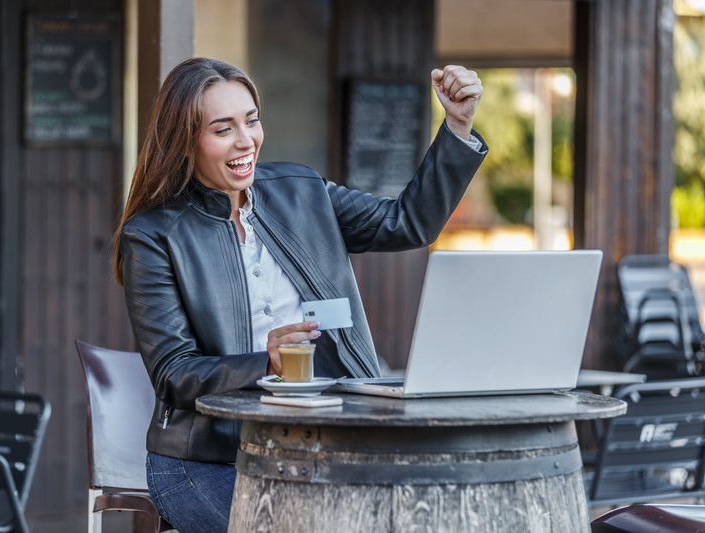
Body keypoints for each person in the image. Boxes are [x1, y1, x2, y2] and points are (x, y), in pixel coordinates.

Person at [112, 57, 487, 533]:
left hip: (329, 442)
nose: (246, 140)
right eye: (222, 129)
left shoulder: (301, 191)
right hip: (208, 459)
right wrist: (265, 361)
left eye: (251, 121)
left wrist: (457, 125)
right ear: (186, 139)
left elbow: (407, 222)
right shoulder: (152, 235)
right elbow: (174, 374)